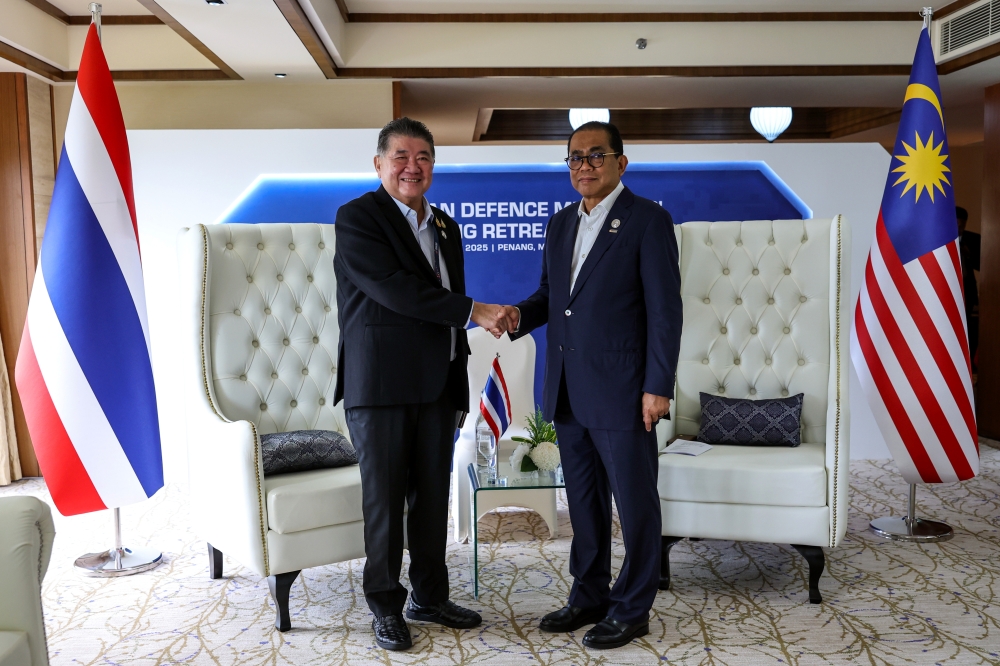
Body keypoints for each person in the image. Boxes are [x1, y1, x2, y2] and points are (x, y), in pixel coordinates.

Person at [500, 121, 682, 649]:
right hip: (567, 387)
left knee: (635, 501)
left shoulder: (649, 221)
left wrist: (658, 385)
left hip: (625, 390)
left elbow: (664, 313)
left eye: (596, 155)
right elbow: (552, 296)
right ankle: (588, 594)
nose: (584, 165)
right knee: (583, 503)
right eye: (575, 157)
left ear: (621, 162)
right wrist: (517, 315)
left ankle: (633, 607)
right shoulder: (560, 226)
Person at [333, 118, 507, 651]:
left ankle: (429, 596)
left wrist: (458, 380)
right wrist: (475, 310)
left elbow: (443, 305)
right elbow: (397, 291)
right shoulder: (358, 217)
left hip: (437, 384)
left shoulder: (447, 226)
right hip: (380, 384)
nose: (414, 166)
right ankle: (386, 605)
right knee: (385, 503)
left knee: (431, 499)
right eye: (402, 156)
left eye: (424, 157)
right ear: (380, 163)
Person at [956, 206, 980, 369]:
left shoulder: (973, 239)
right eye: (957, 224)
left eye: (962, 225)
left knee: (969, 328)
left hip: (968, 289)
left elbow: (983, 263)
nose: (959, 228)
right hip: (949, 289)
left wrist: (968, 254)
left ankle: (968, 364)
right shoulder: (941, 237)